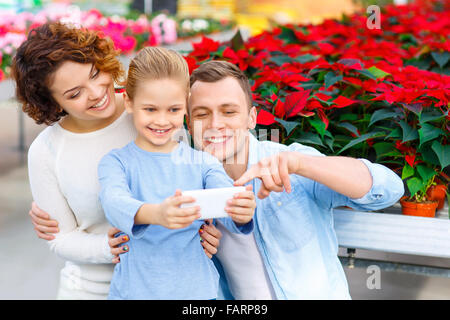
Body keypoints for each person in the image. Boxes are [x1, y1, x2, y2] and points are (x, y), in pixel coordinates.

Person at [26, 54, 405, 298]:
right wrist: (62, 212)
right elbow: (122, 188)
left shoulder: (287, 161)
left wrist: (301, 165)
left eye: (229, 111)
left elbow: (388, 189)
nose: (216, 124)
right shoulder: (186, 177)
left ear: (252, 118)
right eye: (202, 113)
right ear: (187, 119)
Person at [12, 22, 224, 300]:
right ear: (52, 103)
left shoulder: (151, 110)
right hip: (92, 289)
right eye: (75, 94)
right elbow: (59, 238)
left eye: (95, 73)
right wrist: (113, 247)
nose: (97, 92)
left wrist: (209, 230)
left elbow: (193, 182)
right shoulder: (47, 151)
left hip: (172, 283)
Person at [97, 46, 255, 300]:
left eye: (173, 109)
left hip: (198, 295)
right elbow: (113, 202)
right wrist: (157, 214)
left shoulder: (204, 164)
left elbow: (227, 200)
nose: (162, 121)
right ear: (128, 102)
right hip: (134, 293)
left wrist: (241, 210)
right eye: (150, 109)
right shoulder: (116, 162)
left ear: (186, 105)